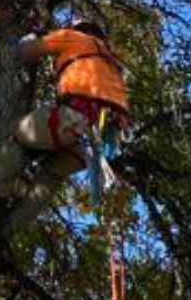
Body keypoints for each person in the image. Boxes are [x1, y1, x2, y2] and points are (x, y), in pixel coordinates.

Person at [10, 18, 130, 199]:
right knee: (51, 175)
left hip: (77, 119)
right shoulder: (111, 62)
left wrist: (31, 37)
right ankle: (16, 221)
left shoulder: (74, 37)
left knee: (16, 132)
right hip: (106, 140)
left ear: (79, 30)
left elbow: (27, 51)